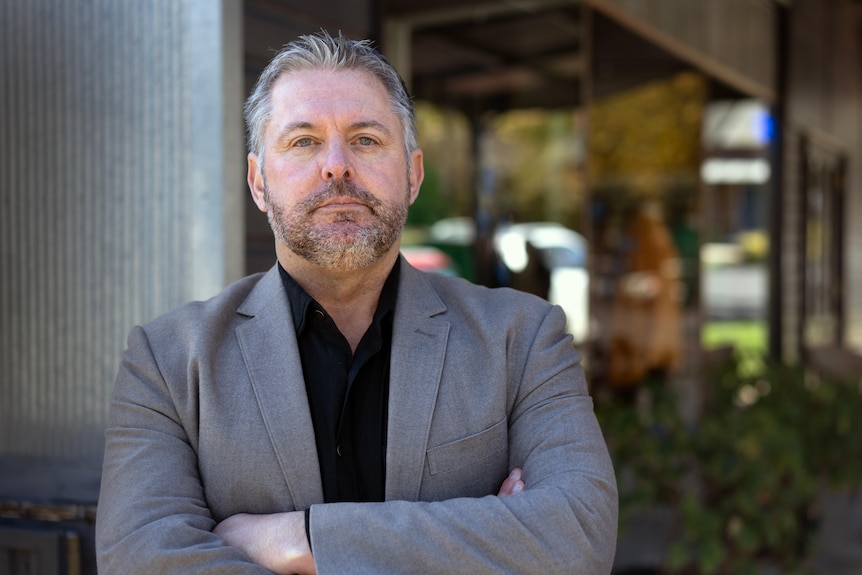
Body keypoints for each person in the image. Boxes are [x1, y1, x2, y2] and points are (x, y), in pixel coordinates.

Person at [96, 30, 617, 575]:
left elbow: (579, 536)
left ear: (412, 175)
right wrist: (488, 539)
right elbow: (140, 561)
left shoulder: (523, 339)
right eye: (303, 141)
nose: (336, 166)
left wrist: (302, 540)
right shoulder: (167, 362)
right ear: (257, 183)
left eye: (366, 139)